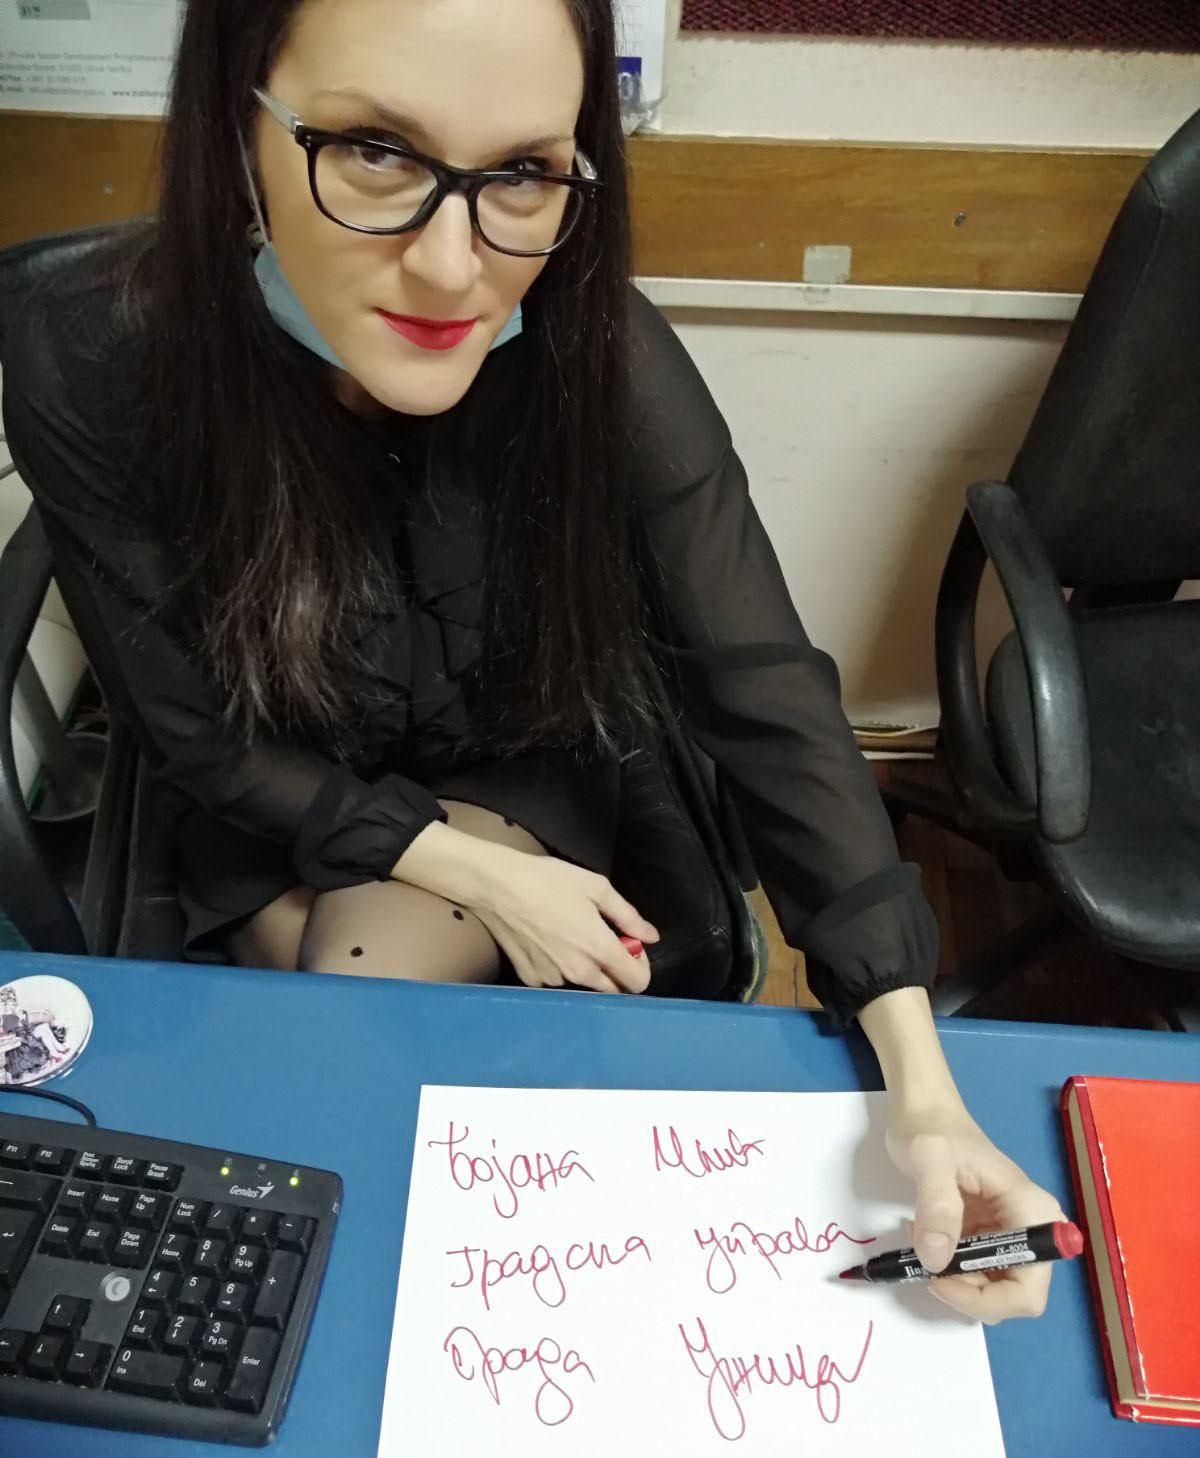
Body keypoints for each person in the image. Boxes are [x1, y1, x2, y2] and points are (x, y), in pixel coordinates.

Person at [3, 0, 1064, 1323]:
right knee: (348, 1069)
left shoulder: (599, 350)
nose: (455, 267)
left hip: (505, 753)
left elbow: (766, 689)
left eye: (520, 172)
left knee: (357, 1050)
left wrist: (924, 1092)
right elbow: (200, 737)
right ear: (237, 121)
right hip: (266, 773)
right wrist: (482, 878)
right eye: (376, 152)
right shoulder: (91, 352)